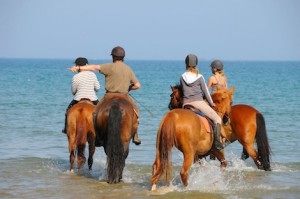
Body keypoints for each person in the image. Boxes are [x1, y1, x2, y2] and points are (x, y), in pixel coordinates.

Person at [68, 46, 142, 145]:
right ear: (123, 57)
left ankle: (98, 137)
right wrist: (128, 88)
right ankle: (135, 135)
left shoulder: (109, 66)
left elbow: (94, 67)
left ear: (113, 57)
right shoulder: (128, 69)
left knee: (95, 113)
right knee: (136, 113)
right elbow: (137, 85)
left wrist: (78, 68)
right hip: (125, 96)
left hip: (109, 96)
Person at [180, 54, 224, 151]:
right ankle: (217, 143)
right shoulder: (200, 77)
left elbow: (183, 91)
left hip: (186, 104)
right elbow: (206, 92)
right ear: (196, 64)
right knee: (217, 119)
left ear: (186, 64)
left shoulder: (182, 77)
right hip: (199, 103)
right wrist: (211, 103)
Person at [62, 57, 101, 134]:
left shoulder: (75, 77)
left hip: (78, 99)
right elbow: (98, 88)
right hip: (92, 98)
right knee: (100, 113)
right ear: (87, 65)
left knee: (68, 111)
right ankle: (100, 132)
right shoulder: (92, 75)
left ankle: (66, 128)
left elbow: (73, 91)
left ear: (77, 66)